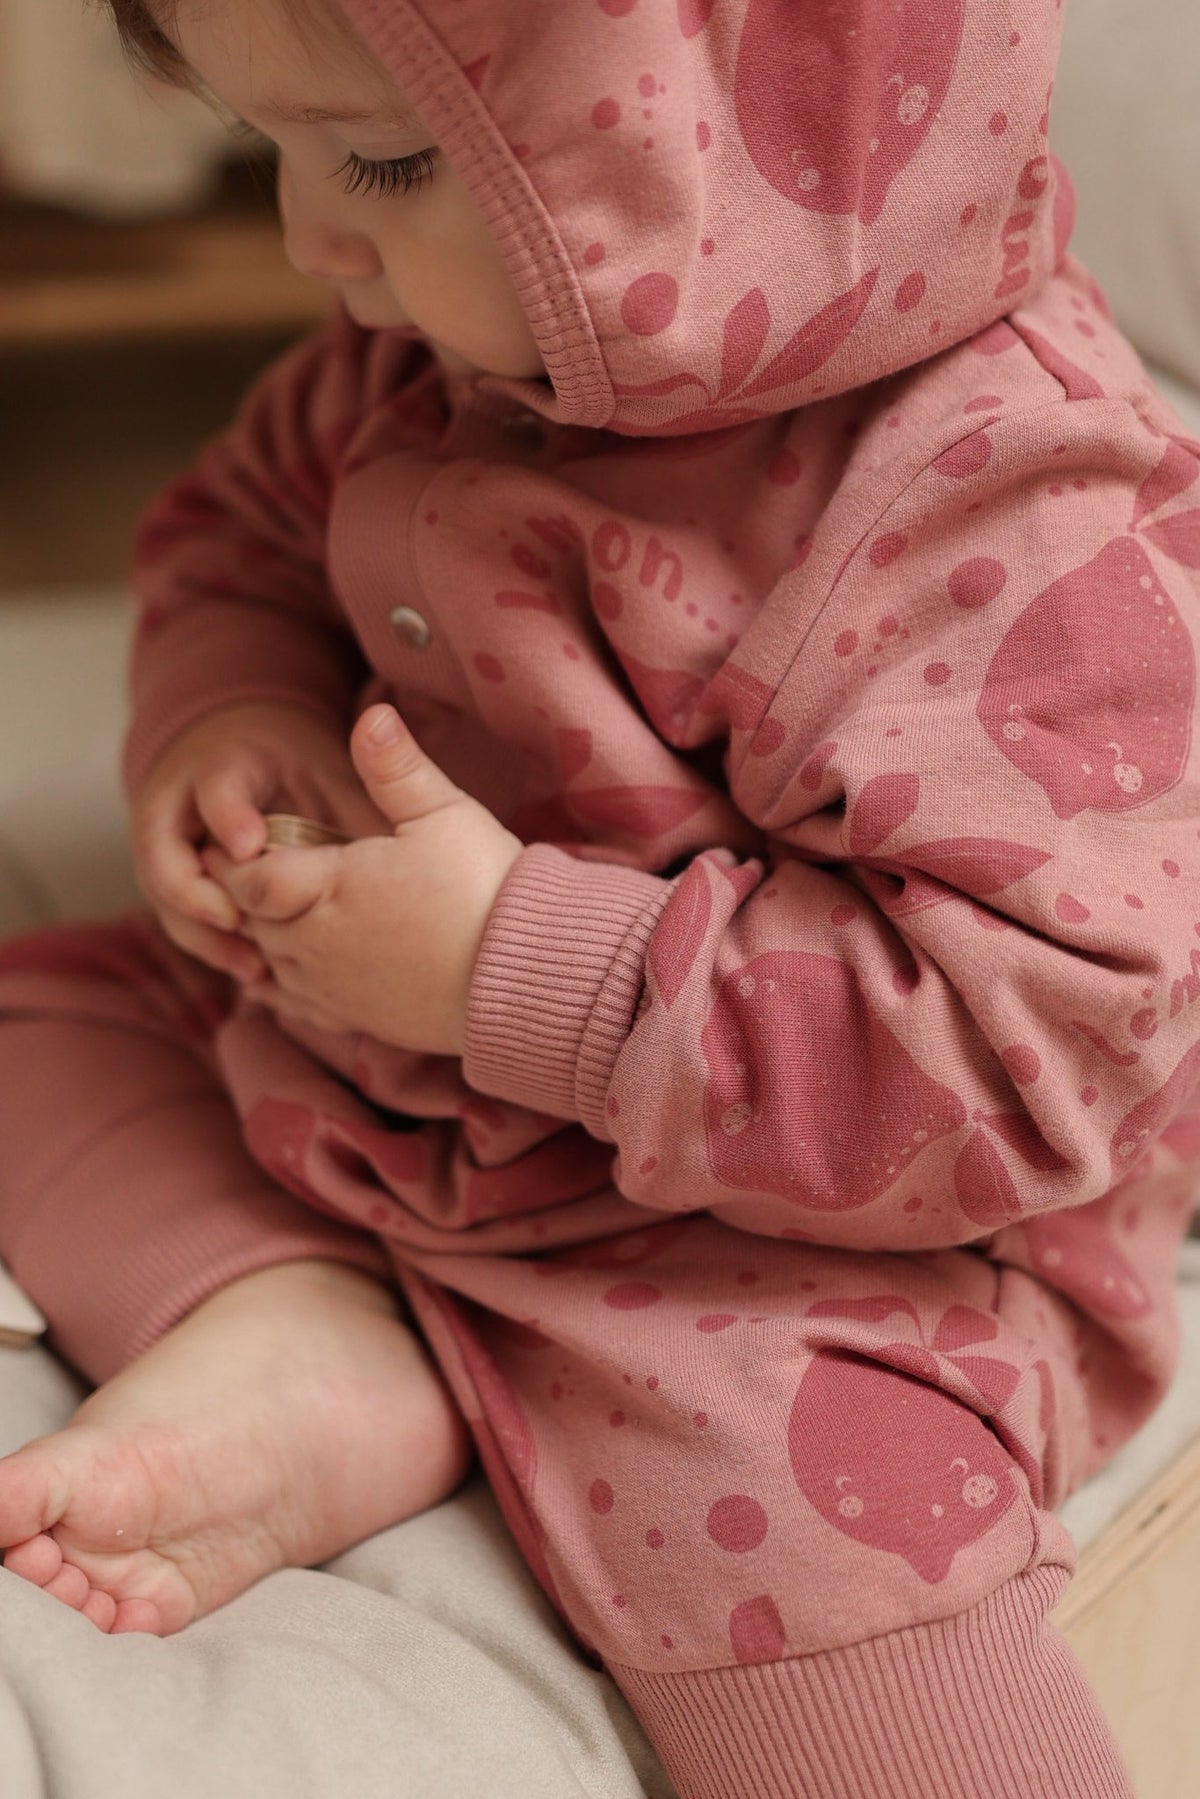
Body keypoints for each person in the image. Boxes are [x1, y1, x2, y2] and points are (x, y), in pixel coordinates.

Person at [1, 0, 1198, 1792]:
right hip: (378, 1060)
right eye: (284, 154)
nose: (311, 241)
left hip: (804, 1227)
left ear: (703, 149)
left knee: (800, 1531)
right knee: (39, 1014)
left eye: (388, 164)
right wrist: (237, 716)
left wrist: (514, 965)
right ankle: (303, 1320)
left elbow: (1032, 1057)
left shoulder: (1019, 517)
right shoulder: (431, 360)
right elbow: (243, 527)